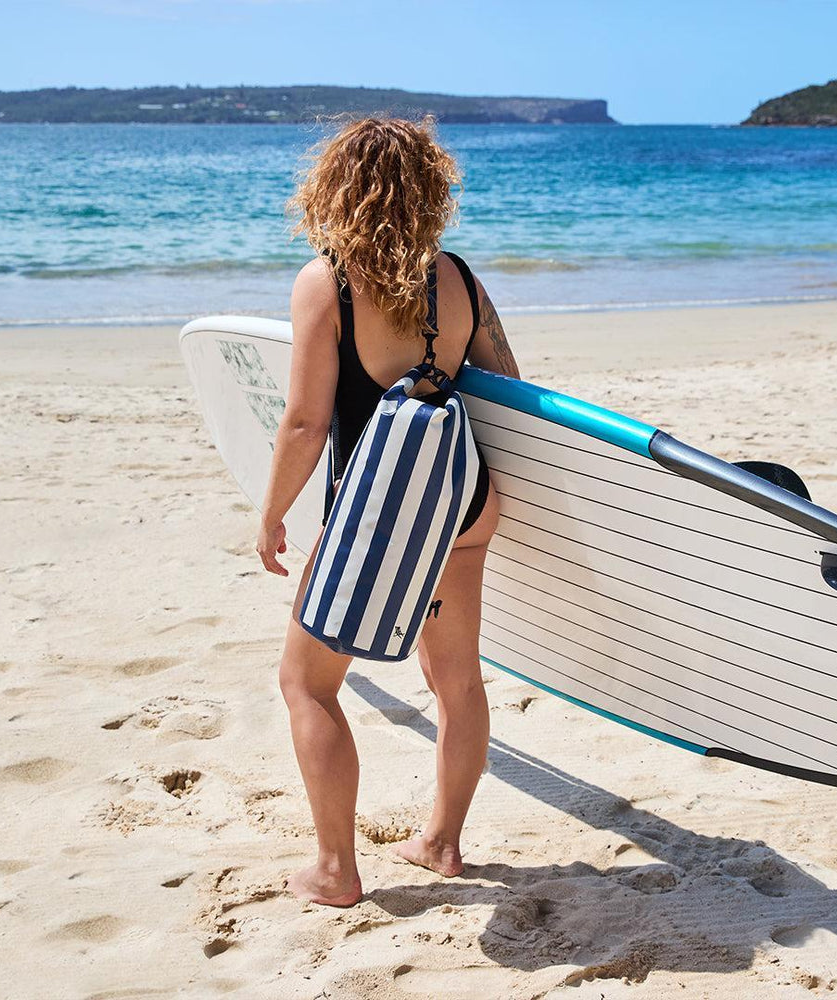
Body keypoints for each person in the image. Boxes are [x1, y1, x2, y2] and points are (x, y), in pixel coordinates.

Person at [255, 116, 520, 907]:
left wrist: (271, 513)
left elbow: (306, 423)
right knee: (456, 680)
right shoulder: (461, 280)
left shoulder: (327, 282)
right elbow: (510, 391)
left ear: (336, 189)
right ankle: (441, 841)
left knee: (306, 684)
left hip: (379, 517)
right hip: (462, 501)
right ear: (430, 189)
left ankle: (335, 870)